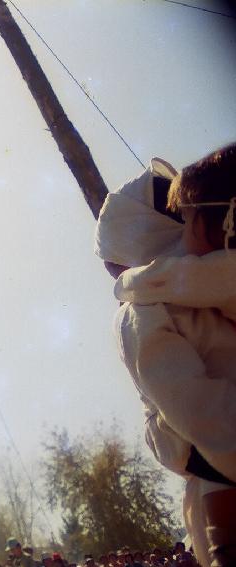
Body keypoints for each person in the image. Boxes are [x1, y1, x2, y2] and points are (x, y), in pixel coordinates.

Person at [96, 144, 236, 567]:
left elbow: (197, 414)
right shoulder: (207, 279)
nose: (117, 274)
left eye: (114, 261)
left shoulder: (143, 310)